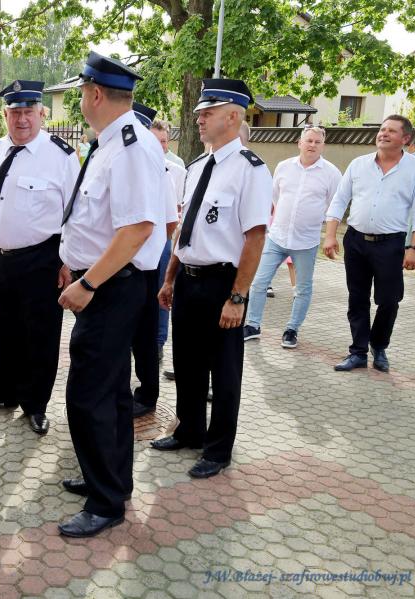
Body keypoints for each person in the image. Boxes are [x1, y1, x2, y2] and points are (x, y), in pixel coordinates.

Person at [55, 52, 166, 538]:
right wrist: (73, 260)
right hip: (107, 282)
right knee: (112, 392)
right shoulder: (111, 143)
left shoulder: (130, 146)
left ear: (95, 93)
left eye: (81, 92)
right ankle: (110, 481)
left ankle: (105, 504)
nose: (80, 100)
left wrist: (87, 283)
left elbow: (138, 229)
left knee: (89, 395)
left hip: (111, 287)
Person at [151, 79, 272, 479]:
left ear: (233, 116)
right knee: (186, 362)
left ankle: (218, 450)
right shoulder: (197, 167)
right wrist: (170, 278)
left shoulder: (251, 170)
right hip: (188, 278)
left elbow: (255, 237)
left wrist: (238, 297)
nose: (199, 119)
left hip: (223, 283)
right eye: (199, 113)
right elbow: (184, 231)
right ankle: (189, 430)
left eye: (208, 113)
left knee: (223, 371)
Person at [0, 80, 79, 436]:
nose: (22, 119)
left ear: (42, 114)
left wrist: (68, 262)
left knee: (39, 334)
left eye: (29, 111)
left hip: (40, 259)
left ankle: (35, 404)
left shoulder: (60, 157)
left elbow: (76, 214)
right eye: (15, 112)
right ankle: (4, 390)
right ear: (5, 115)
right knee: (2, 329)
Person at [324, 115, 415, 373]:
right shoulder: (359, 164)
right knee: (357, 298)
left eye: (391, 131)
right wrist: (330, 235)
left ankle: (379, 345)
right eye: (382, 129)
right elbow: (339, 200)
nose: (383, 134)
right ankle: (358, 351)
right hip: (356, 241)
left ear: (405, 138)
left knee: (389, 300)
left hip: (391, 244)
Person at [243, 126, 342, 348]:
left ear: (323, 146)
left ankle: (291, 330)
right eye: (309, 140)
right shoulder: (284, 166)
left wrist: (328, 233)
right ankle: (252, 325)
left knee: (302, 288)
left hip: (306, 241)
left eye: (317, 142)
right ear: (299, 143)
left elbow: (334, 205)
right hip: (277, 237)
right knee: (259, 282)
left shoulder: (332, 173)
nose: (312, 145)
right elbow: (275, 197)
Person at [130, 107, 181, 418]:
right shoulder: (113, 162)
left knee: (146, 333)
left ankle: (147, 393)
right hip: (114, 265)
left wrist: (149, 249)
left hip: (146, 263)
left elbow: (170, 222)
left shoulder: (161, 172)